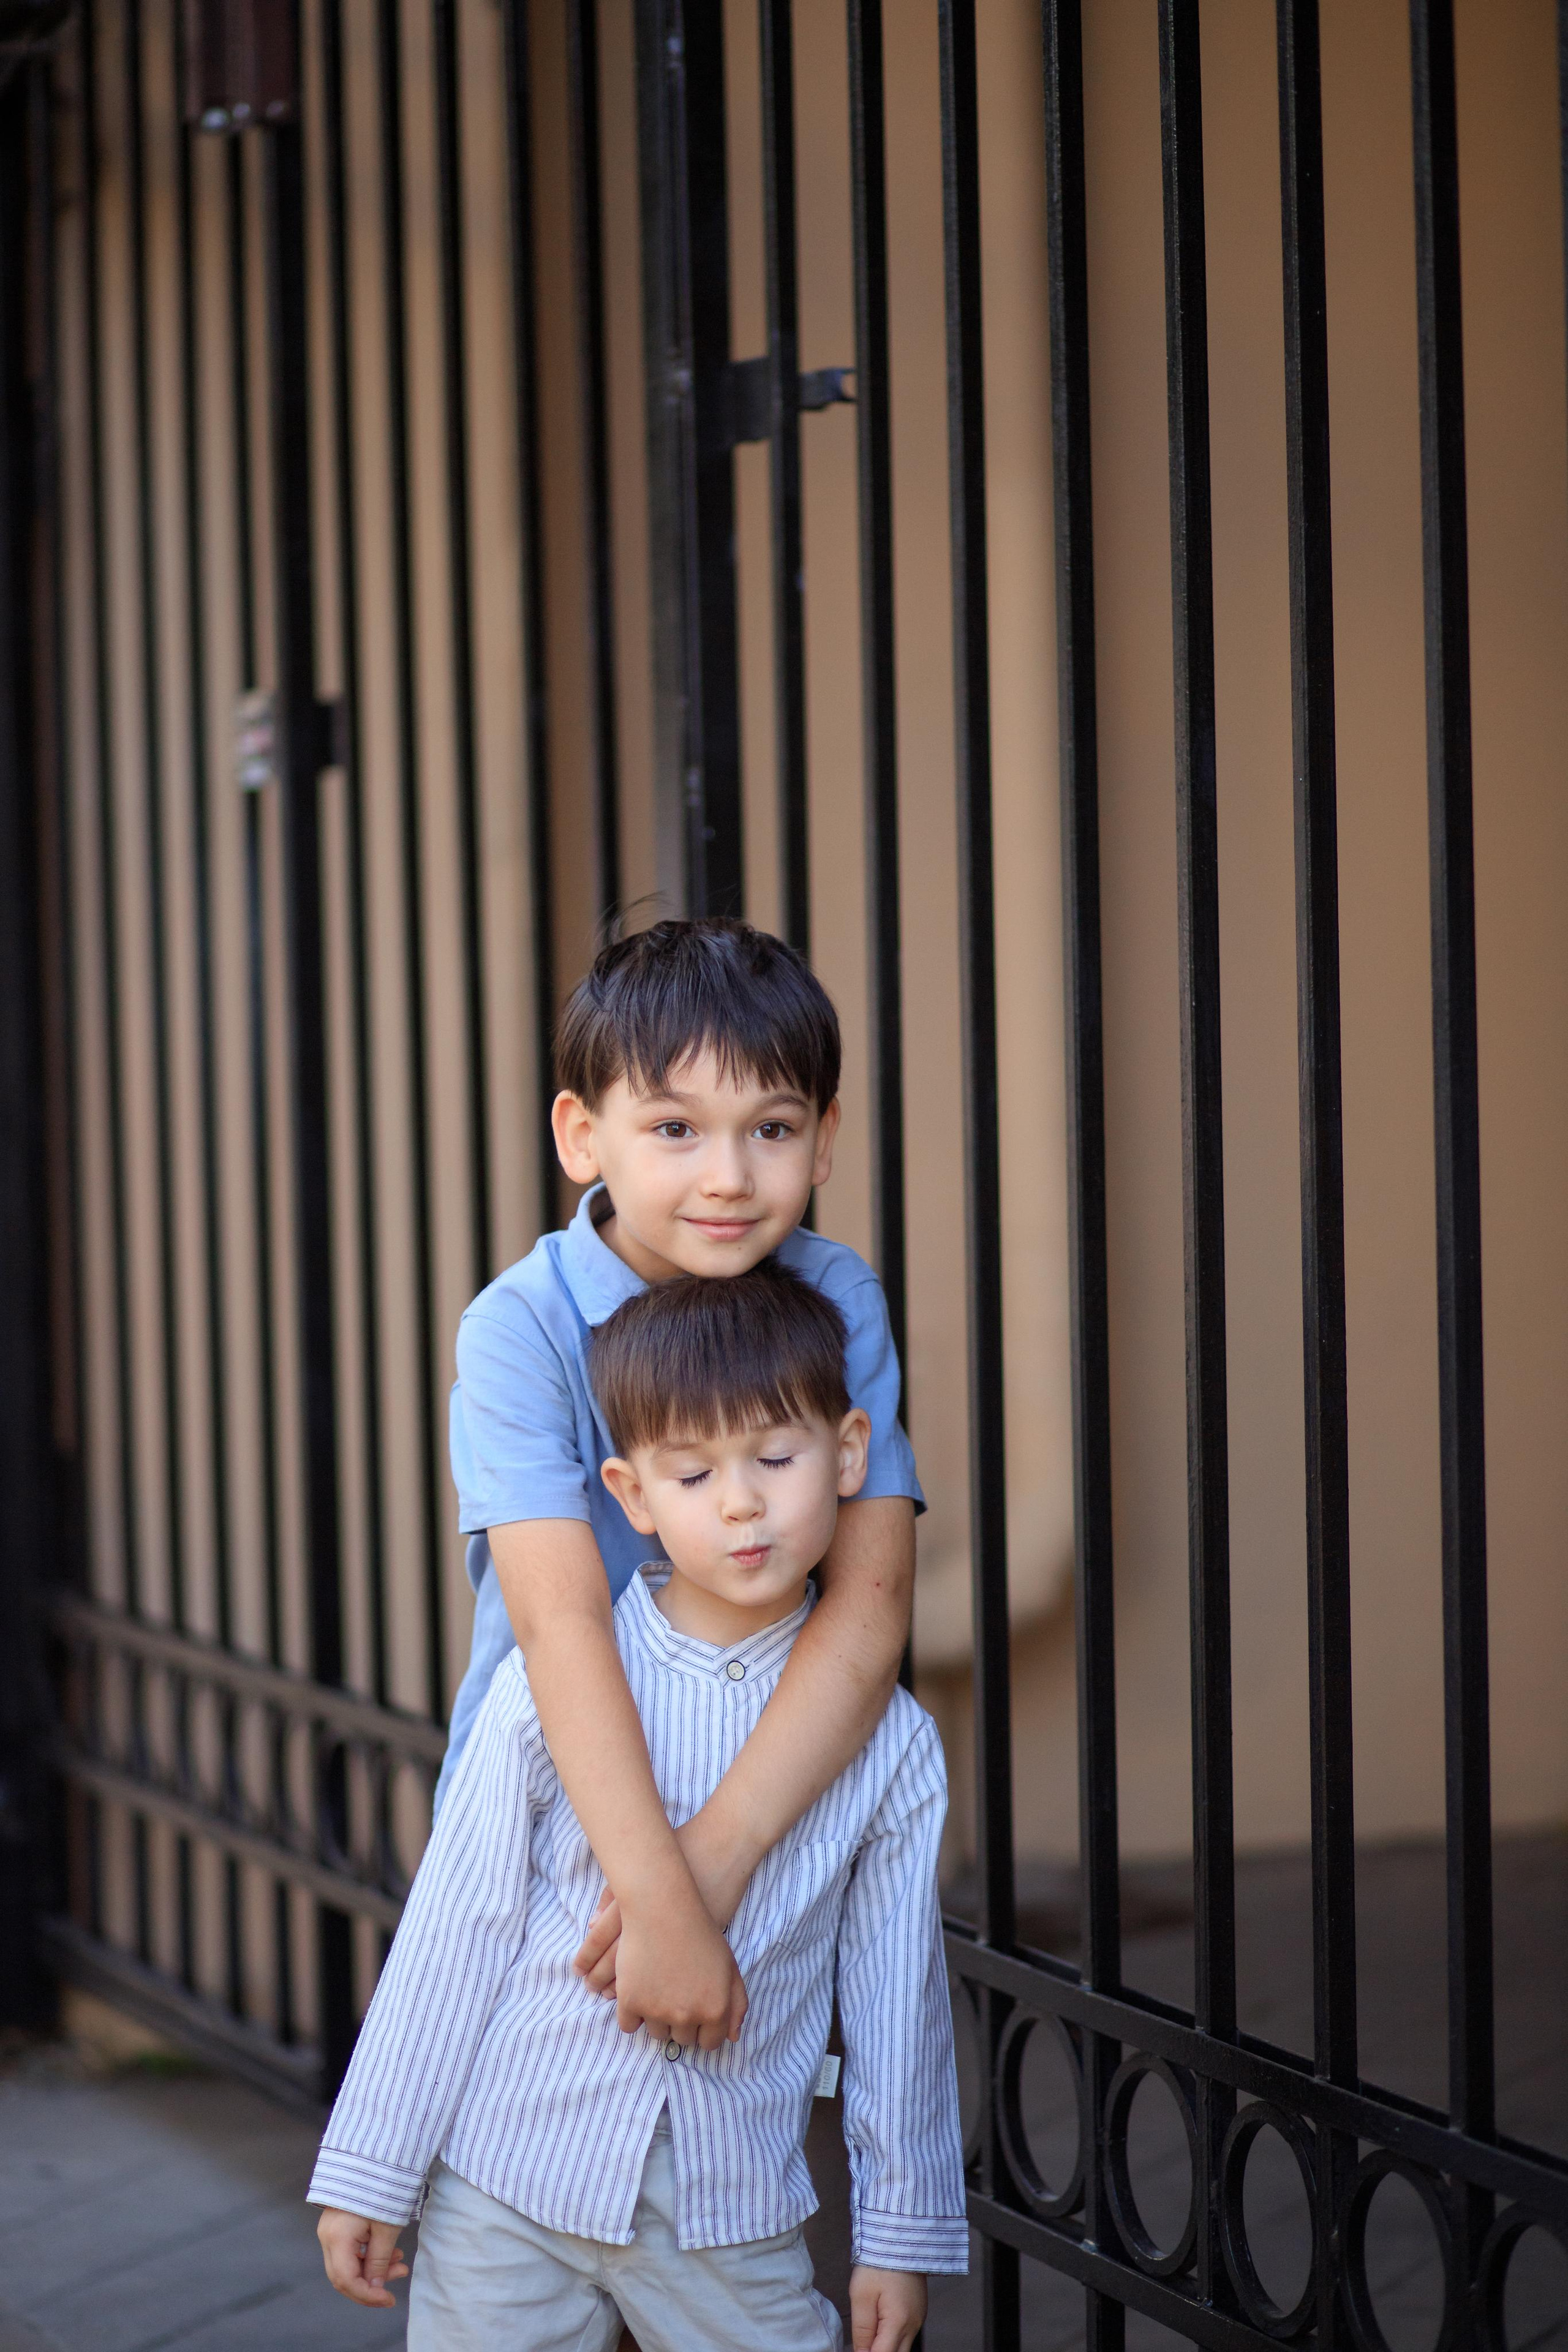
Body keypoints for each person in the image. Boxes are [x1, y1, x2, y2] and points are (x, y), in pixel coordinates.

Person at [310, 1265, 967, 2351]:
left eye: (775, 1456)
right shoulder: (559, 1692)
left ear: (851, 1451)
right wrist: (375, 2169)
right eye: (694, 1474)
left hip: (731, 2210)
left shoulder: (887, 1746)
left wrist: (899, 2233)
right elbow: (454, 1929)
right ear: (630, 1496)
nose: (742, 1502)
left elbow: (899, 1996)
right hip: (510, 2181)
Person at [437, 918, 921, 2051]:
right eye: (673, 1128)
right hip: (555, 1809)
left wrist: (713, 1860)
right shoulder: (521, 1329)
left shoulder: (837, 1296)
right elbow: (560, 1629)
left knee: (727, 2159)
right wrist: (655, 1895)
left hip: (767, 1786)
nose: (730, 1176)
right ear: (581, 1134)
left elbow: (872, 1599)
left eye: (771, 1128)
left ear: (825, 1137)